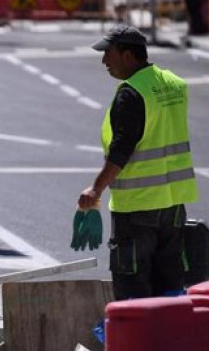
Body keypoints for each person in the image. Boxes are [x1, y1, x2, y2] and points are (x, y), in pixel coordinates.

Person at [79, 25, 198, 301]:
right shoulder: (174, 85)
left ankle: (140, 343)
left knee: (133, 287)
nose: (104, 61)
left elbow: (121, 150)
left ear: (128, 54)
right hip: (173, 206)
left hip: (137, 209)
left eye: (108, 53)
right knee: (170, 283)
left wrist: (95, 189)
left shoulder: (131, 94)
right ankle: (172, 338)